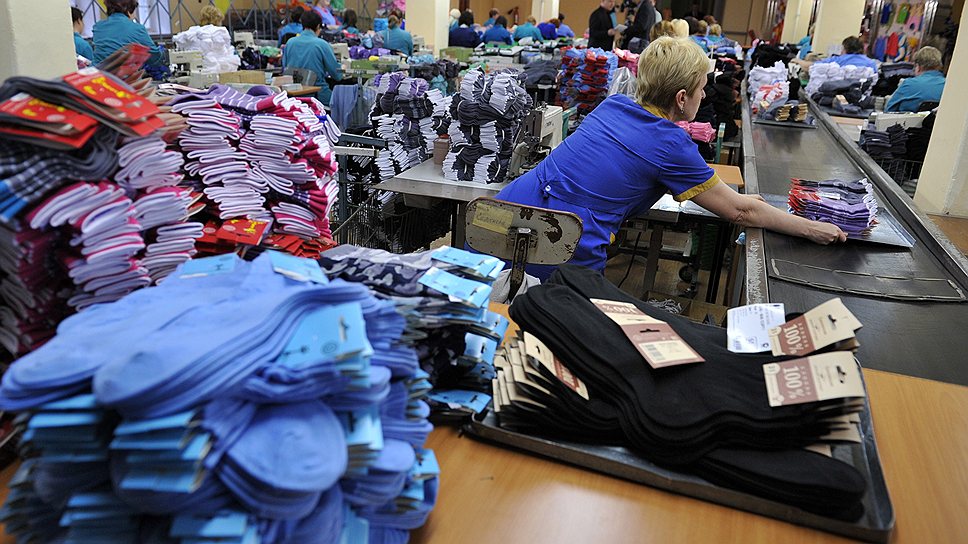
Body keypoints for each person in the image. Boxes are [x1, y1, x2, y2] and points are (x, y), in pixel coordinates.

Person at [491, 37, 845, 279]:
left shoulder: (613, 105)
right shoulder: (671, 144)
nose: (705, 94)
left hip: (499, 222)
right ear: (681, 97)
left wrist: (741, 200)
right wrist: (811, 227)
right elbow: (740, 213)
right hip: (558, 248)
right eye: (701, 88)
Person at [282, 10, 343, 105]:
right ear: (318, 26)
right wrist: (342, 68)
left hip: (294, 97)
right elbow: (337, 75)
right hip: (318, 96)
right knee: (342, 103)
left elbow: (285, 68)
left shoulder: (290, 43)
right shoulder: (322, 45)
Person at [92, 0, 164, 66]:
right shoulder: (136, 28)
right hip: (121, 74)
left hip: (97, 73)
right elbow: (154, 57)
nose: (135, 16)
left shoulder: (98, 27)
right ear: (129, 10)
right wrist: (163, 52)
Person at [885, 46, 946, 112]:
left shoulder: (908, 84)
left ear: (918, 67)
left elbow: (889, 110)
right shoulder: (947, 86)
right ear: (939, 66)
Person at [807, 36, 879, 70]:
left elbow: (813, 66)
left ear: (845, 49)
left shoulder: (839, 60)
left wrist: (800, 62)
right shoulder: (871, 63)